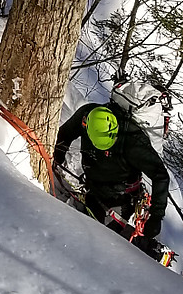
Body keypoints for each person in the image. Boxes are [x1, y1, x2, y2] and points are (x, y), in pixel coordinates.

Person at [53, 100, 170, 260]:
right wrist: (56, 158)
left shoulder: (132, 139)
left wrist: (156, 216)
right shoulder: (86, 116)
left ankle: (151, 250)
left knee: (108, 245)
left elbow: (160, 175)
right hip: (94, 188)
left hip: (121, 198)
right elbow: (65, 134)